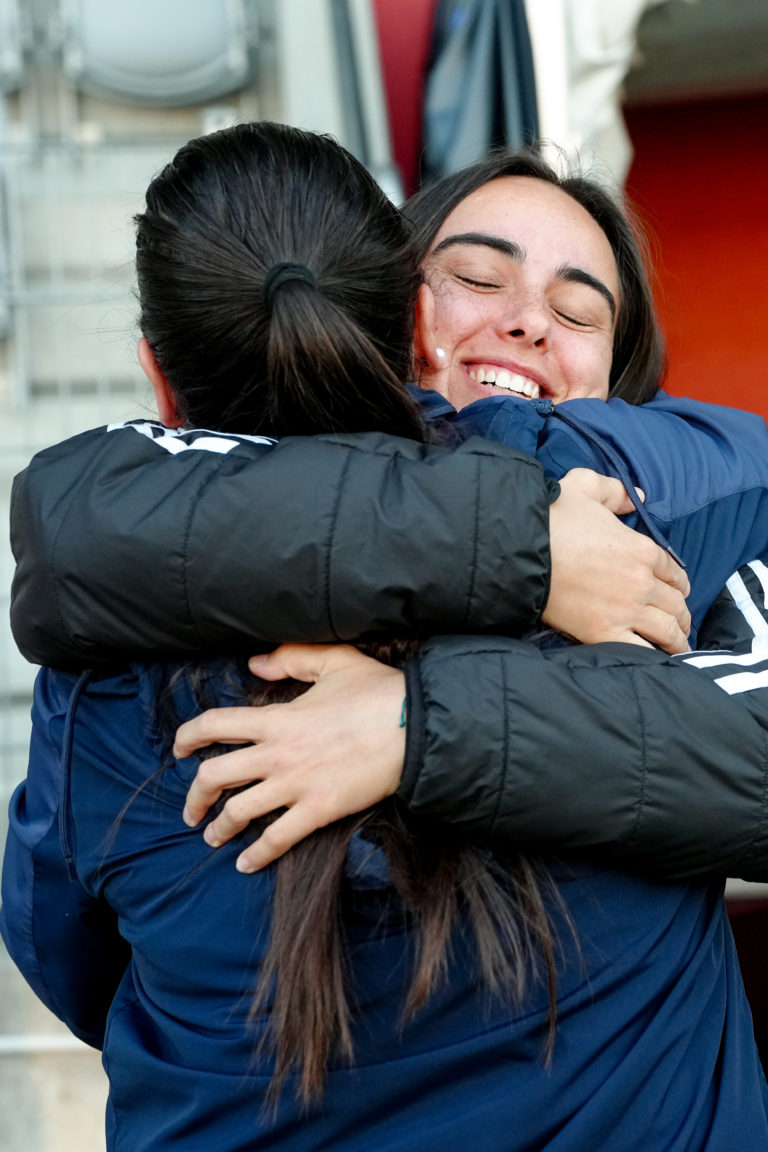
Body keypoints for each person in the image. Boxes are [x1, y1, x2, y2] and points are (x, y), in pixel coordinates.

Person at [4, 122, 768, 1150]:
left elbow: (75, 964)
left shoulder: (651, 523)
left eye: (580, 309)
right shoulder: (617, 522)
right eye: (476, 277)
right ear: (394, 306)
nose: (530, 322)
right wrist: (516, 551)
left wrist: (419, 724)